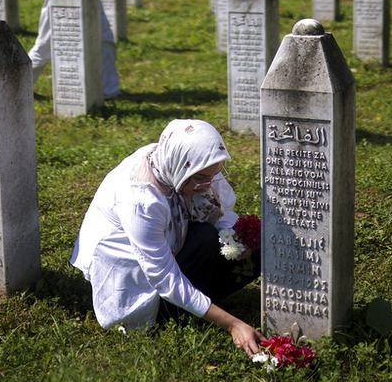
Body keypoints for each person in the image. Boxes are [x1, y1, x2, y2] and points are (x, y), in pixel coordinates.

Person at [71, 119, 265, 356]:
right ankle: (166, 313)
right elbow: (163, 276)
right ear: (181, 169)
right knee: (204, 238)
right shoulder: (141, 199)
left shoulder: (189, 163)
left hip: (168, 243)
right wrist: (233, 324)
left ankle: (197, 303)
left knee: (252, 248)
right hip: (131, 269)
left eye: (214, 174)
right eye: (201, 177)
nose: (208, 185)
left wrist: (236, 238)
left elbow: (222, 213)